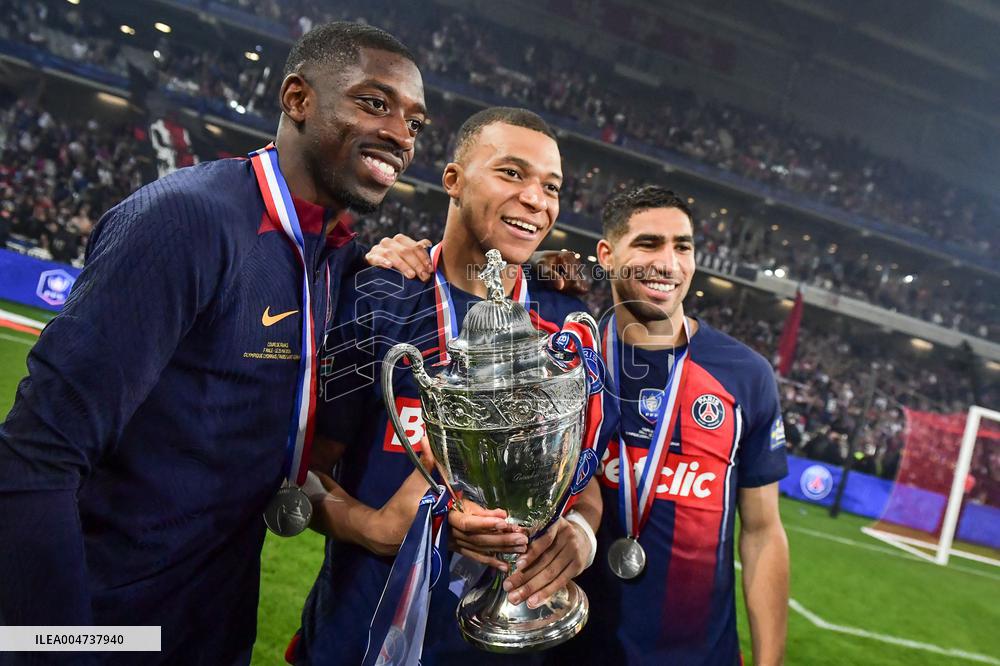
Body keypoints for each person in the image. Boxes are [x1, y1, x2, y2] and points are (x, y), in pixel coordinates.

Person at [0, 22, 432, 665]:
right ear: (297, 99)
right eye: (374, 103)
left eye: (415, 122)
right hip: (109, 619)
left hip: (212, 621)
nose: (400, 134)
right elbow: (37, 456)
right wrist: (58, 644)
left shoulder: (332, 258)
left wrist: (551, 269)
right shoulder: (186, 221)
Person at [292, 107, 603, 665]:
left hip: (508, 643)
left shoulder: (566, 324)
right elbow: (305, 475)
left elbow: (586, 478)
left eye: (551, 186)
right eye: (512, 173)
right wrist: (375, 529)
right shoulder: (378, 296)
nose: (537, 199)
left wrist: (581, 532)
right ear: (453, 180)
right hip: (360, 637)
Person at [552, 185, 789, 665]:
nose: (669, 262)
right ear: (607, 254)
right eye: (648, 243)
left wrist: (769, 661)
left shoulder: (745, 375)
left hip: (699, 654)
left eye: (682, 246)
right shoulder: (567, 358)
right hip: (570, 649)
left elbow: (763, 531)